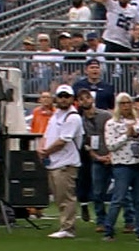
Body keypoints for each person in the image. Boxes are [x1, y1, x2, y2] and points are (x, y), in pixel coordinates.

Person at [39, 85, 84, 239]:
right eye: (61, 96)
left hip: (66, 162)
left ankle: (68, 228)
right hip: (54, 161)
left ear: (72, 99)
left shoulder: (73, 117)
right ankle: (64, 225)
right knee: (59, 197)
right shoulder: (56, 115)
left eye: (67, 96)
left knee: (66, 197)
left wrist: (46, 151)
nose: (63, 99)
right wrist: (41, 148)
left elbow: (63, 140)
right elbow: (46, 134)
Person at [102, 93, 139, 241]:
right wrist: (126, 136)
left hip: (138, 163)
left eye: (128, 103)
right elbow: (111, 145)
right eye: (122, 103)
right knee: (118, 198)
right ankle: (108, 230)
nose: (126, 106)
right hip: (122, 165)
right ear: (118, 106)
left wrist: (137, 136)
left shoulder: (138, 123)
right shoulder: (111, 124)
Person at [75, 88, 111, 232]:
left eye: (87, 97)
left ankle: (129, 220)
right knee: (97, 192)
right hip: (96, 158)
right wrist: (96, 156)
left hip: (113, 156)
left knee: (124, 193)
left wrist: (111, 155)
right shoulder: (80, 121)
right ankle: (101, 221)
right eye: (82, 98)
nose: (85, 101)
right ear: (78, 102)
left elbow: (115, 134)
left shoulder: (105, 116)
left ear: (92, 99)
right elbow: (85, 143)